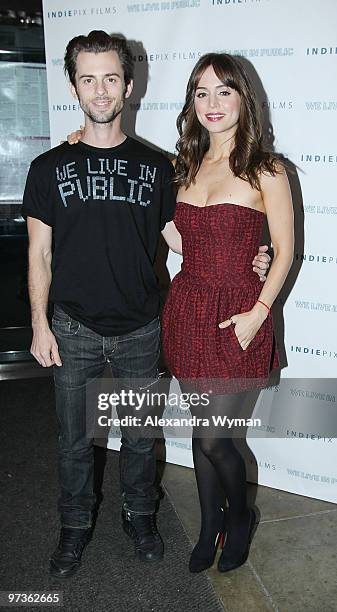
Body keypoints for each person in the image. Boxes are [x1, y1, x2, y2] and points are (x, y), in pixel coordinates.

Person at [23, 31, 270, 579]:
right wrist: (39, 325)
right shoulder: (46, 167)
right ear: (74, 87)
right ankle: (75, 527)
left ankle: (141, 518)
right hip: (73, 328)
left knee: (139, 438)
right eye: (88, 79)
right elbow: (38, 255)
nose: (101, 89)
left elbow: (188, 237)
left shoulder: (160, 168)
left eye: (111, 77)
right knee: (73, 442)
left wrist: (256, 252)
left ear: (128, 85)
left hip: (141, 329)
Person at [161, 53, 294, 573]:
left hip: (240, 315)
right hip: (188, 310)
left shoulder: (266, 168)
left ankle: (239, 517)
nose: (212, 103)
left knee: (217, 437)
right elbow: (170, 227)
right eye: (201, 93)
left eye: (223, 91)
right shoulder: (184, 166)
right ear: (191, 104)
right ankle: (207, 526)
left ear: (244, 97)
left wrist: (259, 313)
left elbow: (282, 251)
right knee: (201, 433)